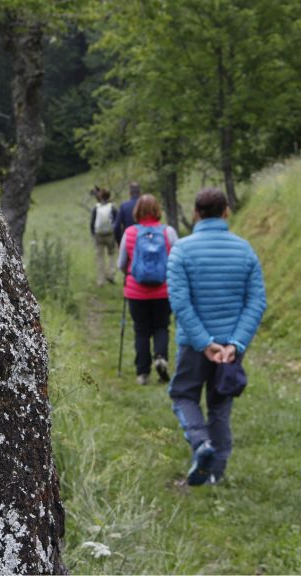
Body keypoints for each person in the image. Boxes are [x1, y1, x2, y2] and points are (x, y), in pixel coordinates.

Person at [167, 188, 266, 486]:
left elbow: (180, 302)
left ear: (196, 213)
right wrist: (235, 343)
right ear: (226, 212)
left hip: (194, 345)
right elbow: (256, 301)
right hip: (231, 347)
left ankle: (201, 444)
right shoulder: (245, 250)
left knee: (184, 394)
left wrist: (203, 342)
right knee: (220, 405)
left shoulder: (181, 250)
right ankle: (216, 474)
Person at [117, 194, 179, 386]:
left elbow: (121, 264)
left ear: (137, 212)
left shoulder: (130, 233)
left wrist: (128, 275)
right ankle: (160, 357)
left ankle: (142, 373)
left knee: (141, 330)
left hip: (136, 291)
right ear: (157, 210)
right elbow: (177, 261)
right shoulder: (168, 232)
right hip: (163, 290)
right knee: (161, 326)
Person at [90, 188, 118, 287]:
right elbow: (117, 221)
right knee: (111, 255)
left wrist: (93, 234)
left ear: (100, 197)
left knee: (100, 258)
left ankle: (100, 281)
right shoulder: (112, 207)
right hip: (110, 234)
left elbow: (92, 223)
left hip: (99, 235)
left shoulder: (96, 207)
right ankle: (111, 274)